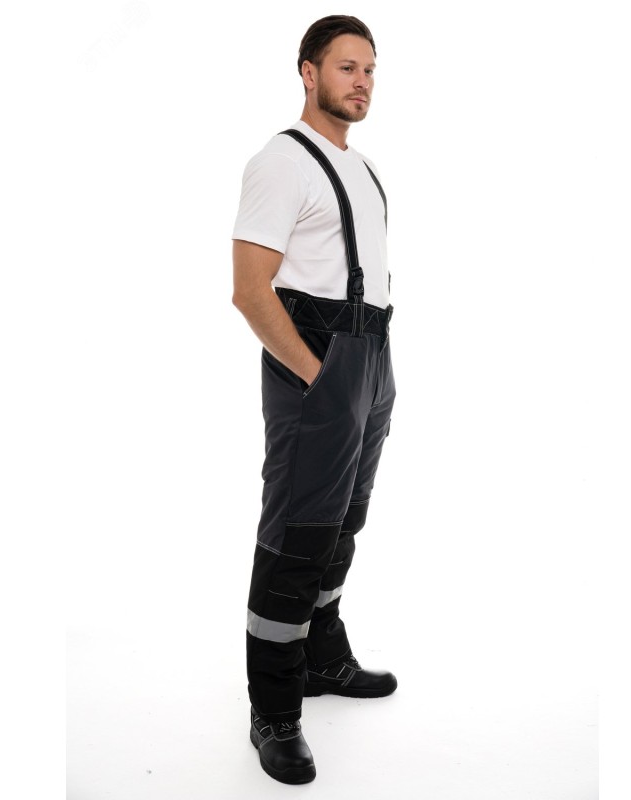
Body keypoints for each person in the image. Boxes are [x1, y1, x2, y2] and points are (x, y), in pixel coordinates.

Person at [231, 15, 397, 785]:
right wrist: (315, 376)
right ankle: (273, 710)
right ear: (309, 72)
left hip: (372, 359)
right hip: (322, 364)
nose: (362, 81)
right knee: (298, 534)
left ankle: (322, 659)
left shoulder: (362, 168)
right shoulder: (280, 162)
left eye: (370, 69)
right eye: (346, 67)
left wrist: (369, 378)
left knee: (341, 525)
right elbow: (249, 290)